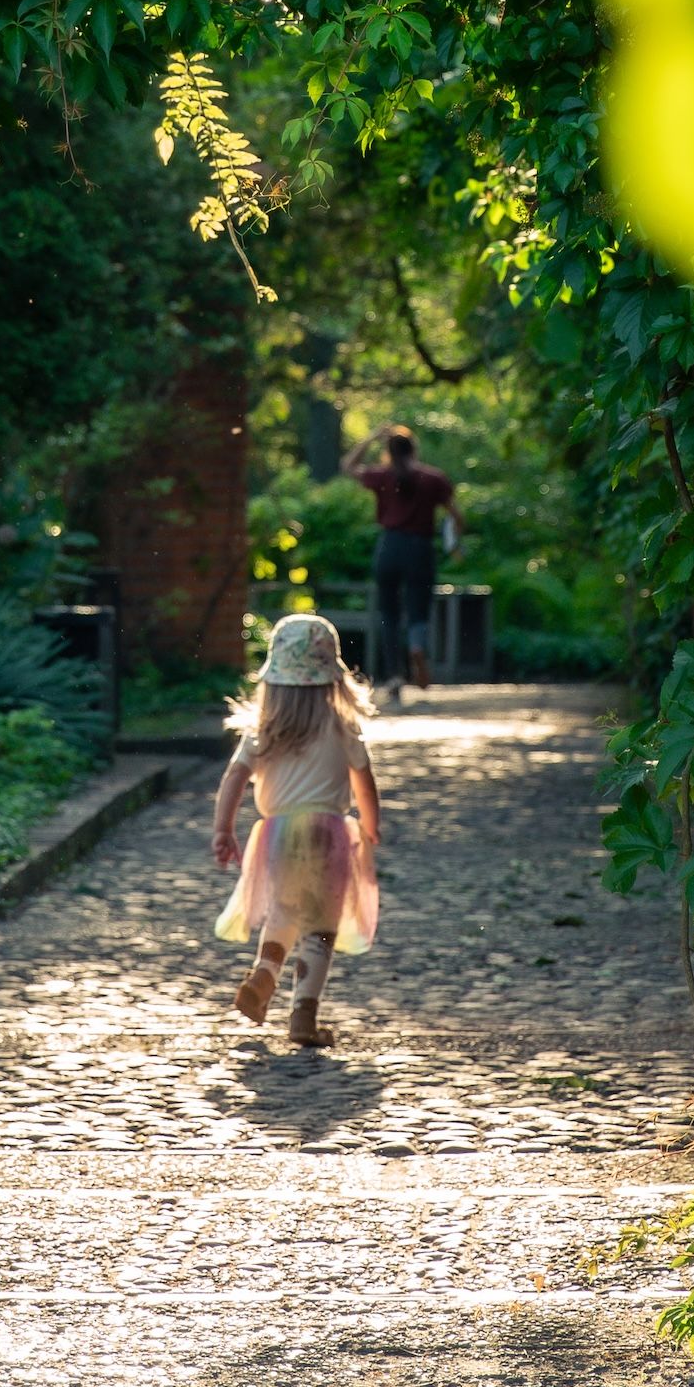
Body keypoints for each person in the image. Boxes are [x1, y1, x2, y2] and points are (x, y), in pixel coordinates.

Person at [212, 609, 381, 1053]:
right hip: (329, 835)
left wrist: (224, 830)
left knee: (283, 912)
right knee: (321, 924)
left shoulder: (263, 729)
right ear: (334, 678)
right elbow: (365, 780)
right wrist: (371, 823)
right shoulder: (343, 725)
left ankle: (264, 975)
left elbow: (234, 777)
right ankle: (304, 1011)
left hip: (277, 835)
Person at [345, 421, 456, 695]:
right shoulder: (433, 478)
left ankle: (394, 675)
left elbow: (347, 466)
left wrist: (371, 436)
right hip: (420, 548)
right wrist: (455, 541)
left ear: (389, 451)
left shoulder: (382, 476)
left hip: (389, 547)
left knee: (389, 612)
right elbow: (457, 516)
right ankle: (417, 647)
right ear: (414, 449)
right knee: (418, 608)